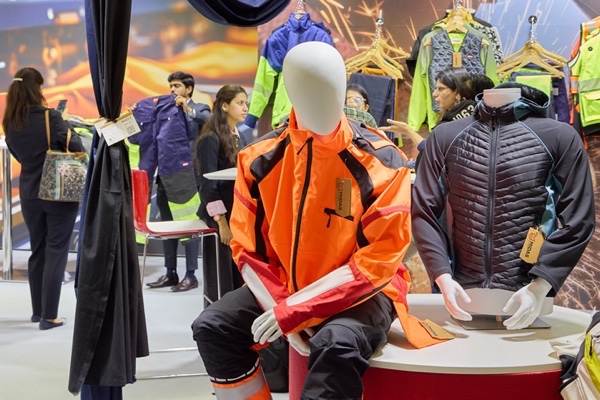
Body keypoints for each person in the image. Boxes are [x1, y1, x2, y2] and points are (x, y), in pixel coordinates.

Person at [192, 42, 414, 399]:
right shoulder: (259, 159)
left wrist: (295, 310)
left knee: (336, 342)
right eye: (309, 88)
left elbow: (381, 257)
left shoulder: (382, 160)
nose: (322, 99)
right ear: (291, 92)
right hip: (286, 285)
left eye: (331, 86)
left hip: (365, 292)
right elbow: (247, 248)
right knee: (213, 326)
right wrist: (284, 304)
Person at [412, 82, 595, 330]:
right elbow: (424, 213)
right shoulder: (445, 136)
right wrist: (441, 273)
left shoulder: (558, 136)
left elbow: (579, 219)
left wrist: (541, 283)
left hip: (528, 289)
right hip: (465, 289)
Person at [2, 67, 85, 330]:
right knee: (56, 251)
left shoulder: (10, 122)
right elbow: (77, 147)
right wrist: (66, 122)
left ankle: (38, 312)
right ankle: (50, 317)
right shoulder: (52, 117)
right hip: (59, 192)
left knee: (37, 251)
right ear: (38, 88)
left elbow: (18, 154)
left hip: (29, 193)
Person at [146, 71, 210, 292]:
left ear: (188, 89)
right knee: (167, 227)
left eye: (177, 86)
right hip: (165, 176)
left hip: (187, 178)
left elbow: (208, 121)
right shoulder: (165, 110)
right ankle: (170, 273)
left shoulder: (199, 108)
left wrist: (187, 109)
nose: (172, 90)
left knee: (188, 226)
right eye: (171, 86)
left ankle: (190, 275)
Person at [194, 84, 248, 308]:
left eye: (246, 103)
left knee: (237, 273)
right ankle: (218, 318)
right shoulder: (210, 138)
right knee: (220, 276)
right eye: (240, 103)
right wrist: (222, 222)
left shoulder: (238, 137)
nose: (245, 108)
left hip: (236, 215)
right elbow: (207, 185)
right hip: (218, 218)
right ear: (225, 106)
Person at [380, 70, 494, 168]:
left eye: (441, 89)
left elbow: (433, 154)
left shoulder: (459, 124)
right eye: (435, 89)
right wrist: (408, 131)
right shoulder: (461, 118)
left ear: (457, 92)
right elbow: (435, 152)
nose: (434, 94)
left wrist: (408, 130)